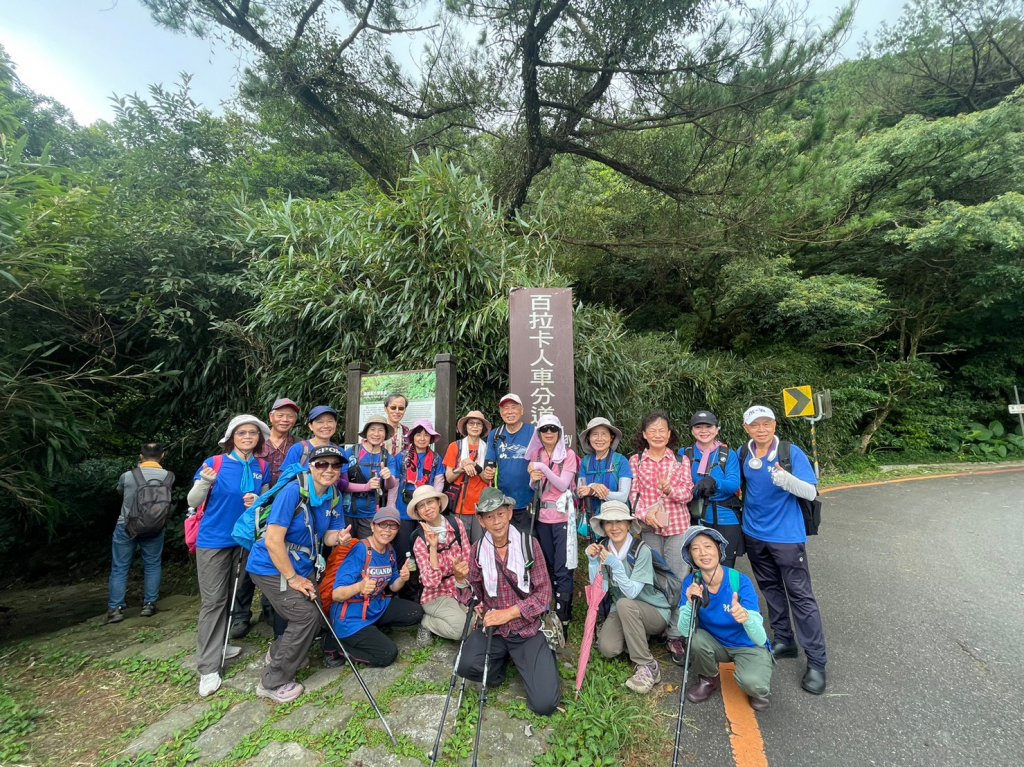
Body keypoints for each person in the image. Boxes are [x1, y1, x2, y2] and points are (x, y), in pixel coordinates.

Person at [245, 446, 352, 703]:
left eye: (335, 465)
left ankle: (279, 652)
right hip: (271, 566)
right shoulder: (293, 491)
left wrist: (338, 538)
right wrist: (293, 578)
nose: (329, 470)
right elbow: (273, 540)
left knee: (316, 614)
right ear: (311, 466)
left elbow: (327, 535)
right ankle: (272, 682)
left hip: (303, 564)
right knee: (305, 616)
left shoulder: (333, 496)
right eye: (322, 464)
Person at [738, 405, 826, 695]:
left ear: (775, 425)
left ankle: (817, 662)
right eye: (755, 425)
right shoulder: (743, 453)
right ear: (746, 428)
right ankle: (784, 639)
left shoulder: (790, 453)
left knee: (801, 596)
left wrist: (788, 481)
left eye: (767, 423)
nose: (761, 429)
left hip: (787, 537)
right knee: (771, 589)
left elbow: (811, 491)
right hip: (754, 534)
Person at [455, 488, 561, 716]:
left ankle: (535, 656)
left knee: (545, 704)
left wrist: (510, 613)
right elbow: (474, 596)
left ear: (510, 513)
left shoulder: (529, 545)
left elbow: (544, 595)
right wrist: (461, 581)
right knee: (465, 666)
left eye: (501, 514)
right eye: (489, 516)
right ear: (481, 521)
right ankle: (502, 664)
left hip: (527, 629)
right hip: (494, 631)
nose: (497, 522)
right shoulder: (477, 550)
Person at [186, 414, 271, 698]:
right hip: (214, 541)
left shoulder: (262, 467)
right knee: (214, 601)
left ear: (259, 438)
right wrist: (204, 483)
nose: (247, 437)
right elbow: (192, 501)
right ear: (231, 437)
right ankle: (208, 666)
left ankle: (221, 644)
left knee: (233, 595)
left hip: (243, 539)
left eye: (252, 433)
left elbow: (265, 503)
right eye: (241, 433)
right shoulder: (215, 463)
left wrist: (257, 502)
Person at [677, 525, 773, 711]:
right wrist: (689, 604)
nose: (703, 553)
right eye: (695, 549)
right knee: (695, 638)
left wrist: (746, 618)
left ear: (719, 551)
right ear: (691, 556)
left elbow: (760, 638)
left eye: (708, 546)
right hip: (715, 643)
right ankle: (708, 679)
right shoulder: (691, 583)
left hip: (747, 644)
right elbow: (684, 630)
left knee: (754, 685)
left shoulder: (739, 581)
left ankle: (756, 678)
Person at [231, 396, 302, 639]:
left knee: (276, 558)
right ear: (271, 416)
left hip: (286, 510)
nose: (285, 419)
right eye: (280, 415)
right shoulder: (257, 442)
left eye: (290, 416)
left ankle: (270, 609)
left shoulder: (298, 446)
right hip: (255, 508)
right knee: (247, 561)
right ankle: (240, 615)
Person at [628, 410, 694, 664]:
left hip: (677, 527)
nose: (657, 435)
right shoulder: (636, 461)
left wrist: (670, 490)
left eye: (662, 430)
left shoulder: (680, 460)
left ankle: (675, 634)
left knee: (678, 578)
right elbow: (633, 496)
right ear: (644, 434)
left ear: (669, 434)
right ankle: (656, 624)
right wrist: (645, 515)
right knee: (652, 577)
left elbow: (688, 493)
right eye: (652, 430)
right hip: (649, 529)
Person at [586, 501, 671, 694]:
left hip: (654, 610)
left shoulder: (641, 550)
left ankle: (648, 666)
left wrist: (615, 565)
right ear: (603, 526)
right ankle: (637, 636)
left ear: (628, 524)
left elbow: (632, 593)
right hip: (623, 610)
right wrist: (592, 562)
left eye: (619, 522)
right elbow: (601, 589)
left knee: (625, 603)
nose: (614, 527)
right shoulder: (604, 547)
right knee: (607, 648)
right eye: (609, 522)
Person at [327, 507, 423, 667]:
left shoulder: (390, 551)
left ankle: (372, 629)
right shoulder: (360, 550)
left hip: (375, 607)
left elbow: (393, 586)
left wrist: (402, 578)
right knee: (387, 654)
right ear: (372, 526)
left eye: (393, 526)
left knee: (416, 612)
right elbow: (336, 594)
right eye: (382, 525)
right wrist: (359, 587)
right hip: (350, 618)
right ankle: (334, 643)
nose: (387, 530)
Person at [107, 443, 174, 623]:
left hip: (127, 525)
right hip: (155, 526)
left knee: (120, 567)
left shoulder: (127, 476)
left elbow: (120, 492)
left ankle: (115, 609)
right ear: (162, 456)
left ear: (141, 456)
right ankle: (149, 604)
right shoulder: (169, 476)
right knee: (152, 564)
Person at [526, 413, 579, 633]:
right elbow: (534, 486)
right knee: (546, 566)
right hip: (542, 518)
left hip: (563, 518)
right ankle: (548, 613)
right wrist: (534, 477)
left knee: (562, 568)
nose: (549, 433)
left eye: (553, 429)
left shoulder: (568, 455)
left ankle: (563, 617)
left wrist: (543, 468)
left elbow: (564, 484)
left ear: (559, 432)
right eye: (544, 429)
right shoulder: (537, 454)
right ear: (539, 433)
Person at [408, 485, 471, 644]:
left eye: (430, 502)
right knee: (462, 629)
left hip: (460, 586)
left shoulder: (456, 524)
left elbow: (468, 557)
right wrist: (433, 548)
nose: (427, 508)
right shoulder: (419, 540)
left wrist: (464, 578)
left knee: (480, 619)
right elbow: (431, 582)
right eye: (421, 506)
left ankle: (459, 613)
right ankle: (426, 622)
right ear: (418, 512)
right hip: (436, 594)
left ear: (438, 503)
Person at [682, 411, 742, 567]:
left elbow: (734, 484)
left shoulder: (727, 454)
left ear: (717, 429)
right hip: (697, 517)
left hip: (726, 517)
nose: (704, 431)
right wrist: (696, 489)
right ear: (692, 430)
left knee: (725, 566)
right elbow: (680, 484)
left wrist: (715, 482)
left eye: (708, 426)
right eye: (698, 427)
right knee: (700, 564)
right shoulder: (685, 454)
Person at [394, 419, 446, 565]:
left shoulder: (436, 458)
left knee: (424, 548)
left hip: (426, 510)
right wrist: (392, 506)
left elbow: (439, 482)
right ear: (412, 437)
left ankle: (423, 577)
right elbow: (395, 483)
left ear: (431, 438)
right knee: (404, 550)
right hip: (404, 508)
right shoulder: (402, 457)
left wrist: (434, 505)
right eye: (418, 434)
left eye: (426, 435)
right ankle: (404, 577)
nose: (422, 438)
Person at [345, 415, 400, 540]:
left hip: (370, 513)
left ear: (385, 435)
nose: (376, 434)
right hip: (346, 510)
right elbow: (341, 483)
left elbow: (390, 485)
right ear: (366, 432)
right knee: (344, 548)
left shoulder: (388, 458)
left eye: (380, 430)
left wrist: (388, 477)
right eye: (372, 429)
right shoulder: (351, 452)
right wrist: (366, 487)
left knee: (367, 547)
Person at [486, 393, 536, 530]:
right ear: (501, 413)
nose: (509, 412)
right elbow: (489, 463)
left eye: (513, 407)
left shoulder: (533, 432)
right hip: (503, 503)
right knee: (506, 540)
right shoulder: (495, 434)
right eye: (505, 408)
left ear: (522, 410)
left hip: (529, 502)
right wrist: (488, 471)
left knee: (527, 540)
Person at [576, 416, 633, 535]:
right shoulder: (585, 461)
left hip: (616, 521)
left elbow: (623, 496)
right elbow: (580, 491)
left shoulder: (620, 461)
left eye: (604, 434)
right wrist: (592, 486)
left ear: (611, 437)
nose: (599, 438)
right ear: (588, 438)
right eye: (595, 434)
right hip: (592, 520)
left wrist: (593, 491)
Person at [443, 410, 493, 543]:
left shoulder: (488, 449)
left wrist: (475, 466)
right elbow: (449, 477)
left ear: (483, 428)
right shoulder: (455, 447)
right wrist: (461, 468)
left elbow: (488, 479)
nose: (475, 426)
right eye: (471, 423)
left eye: (478, 424)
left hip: (481, 505)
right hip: (459, 505)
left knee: (480, 544)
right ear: (466, 426)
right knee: (460, 545)